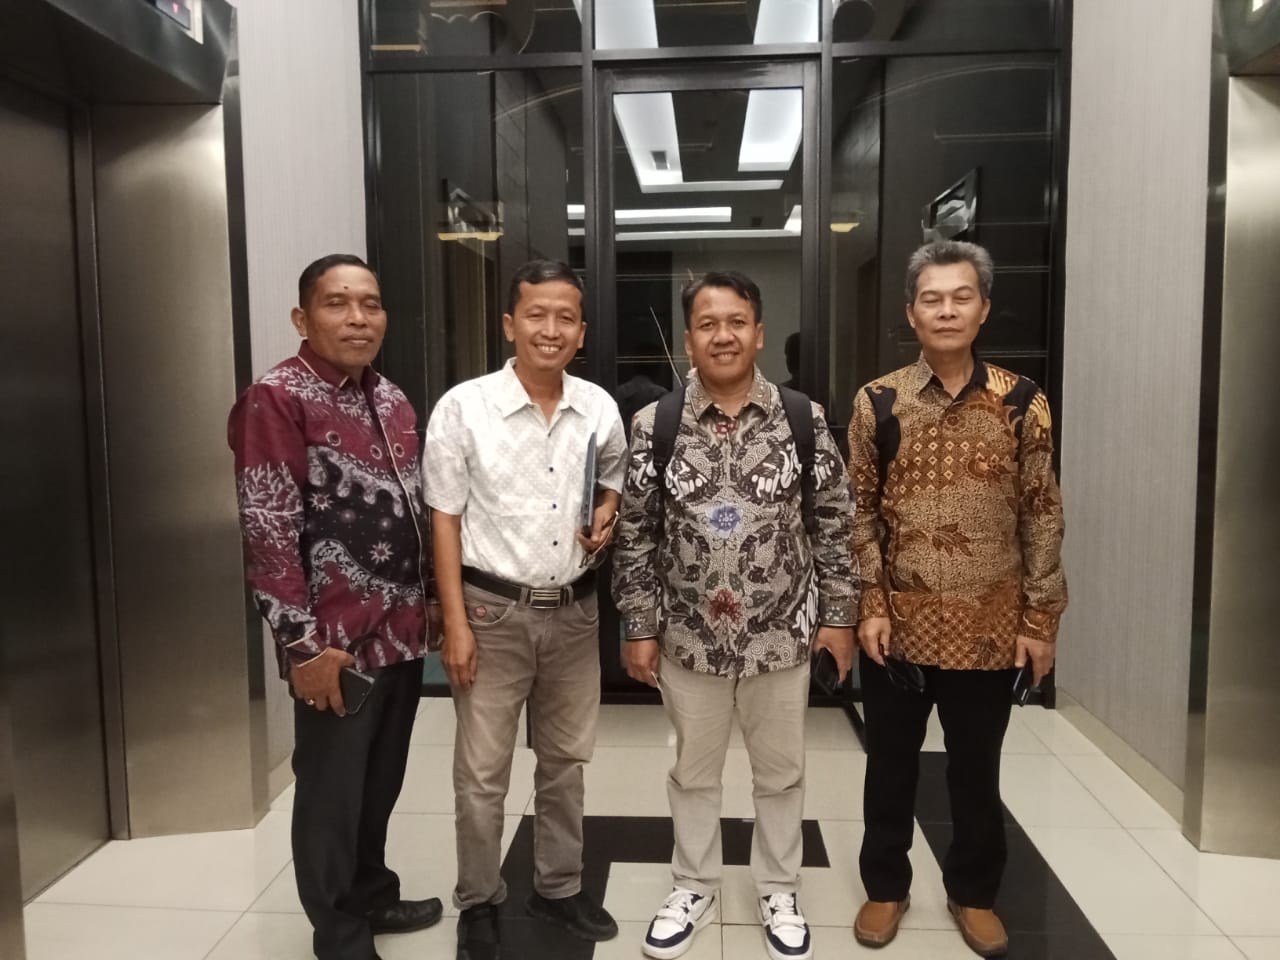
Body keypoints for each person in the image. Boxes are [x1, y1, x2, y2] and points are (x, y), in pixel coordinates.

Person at [613, 271, 859, 960]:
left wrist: (839, 618)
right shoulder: (655, 425)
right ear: (689, 338)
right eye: (707, 323)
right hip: (688, 639)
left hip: (781, 636)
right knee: (693, 773)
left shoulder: (803, 419)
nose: (723, 335)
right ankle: (694, 883)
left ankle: (778, 886)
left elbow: (835, 523)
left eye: (736, 322)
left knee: (781, 774)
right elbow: (636, 535)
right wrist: (640, 626)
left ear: (758, 332)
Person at [848, 240, 1067, 957]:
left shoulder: (1023, 402)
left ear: (984, 309)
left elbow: (1042, 512)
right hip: (897, 627)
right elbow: (859, 514)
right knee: (889, 765)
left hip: (989, 626)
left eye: (961, 297)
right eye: (932, 299)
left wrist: (1040, 621)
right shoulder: (878, 401)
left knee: (976, 769)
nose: (946, 310)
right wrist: (870, 605)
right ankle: (886, 885)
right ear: (912, 313)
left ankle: (973, 892)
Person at [228, 254, 442, 960]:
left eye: (370, 304)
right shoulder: (276, 398)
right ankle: (340, 934)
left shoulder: (392, 398)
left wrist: (432, 602)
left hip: (400, 633)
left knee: (379, 783)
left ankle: (373, 893)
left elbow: (414, 510)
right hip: (333, 645)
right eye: (337, 303)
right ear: (303, 317)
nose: (358, 318)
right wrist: (301, 649)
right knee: (331, 794)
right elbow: (268, 527)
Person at [422, 259, 626, 960]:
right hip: (491, 613)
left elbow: (611, 481)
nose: (550, 329)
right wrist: (454, 623)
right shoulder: (464, 407)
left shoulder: (597, 407)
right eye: (536, 314)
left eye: (565, 317)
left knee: (565, 763)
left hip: (574, 614)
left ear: (582, 332)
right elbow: (444, 519)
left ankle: (558, 887)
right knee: (482, 774)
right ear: (510, 325)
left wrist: (607, 512)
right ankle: (479, 899)